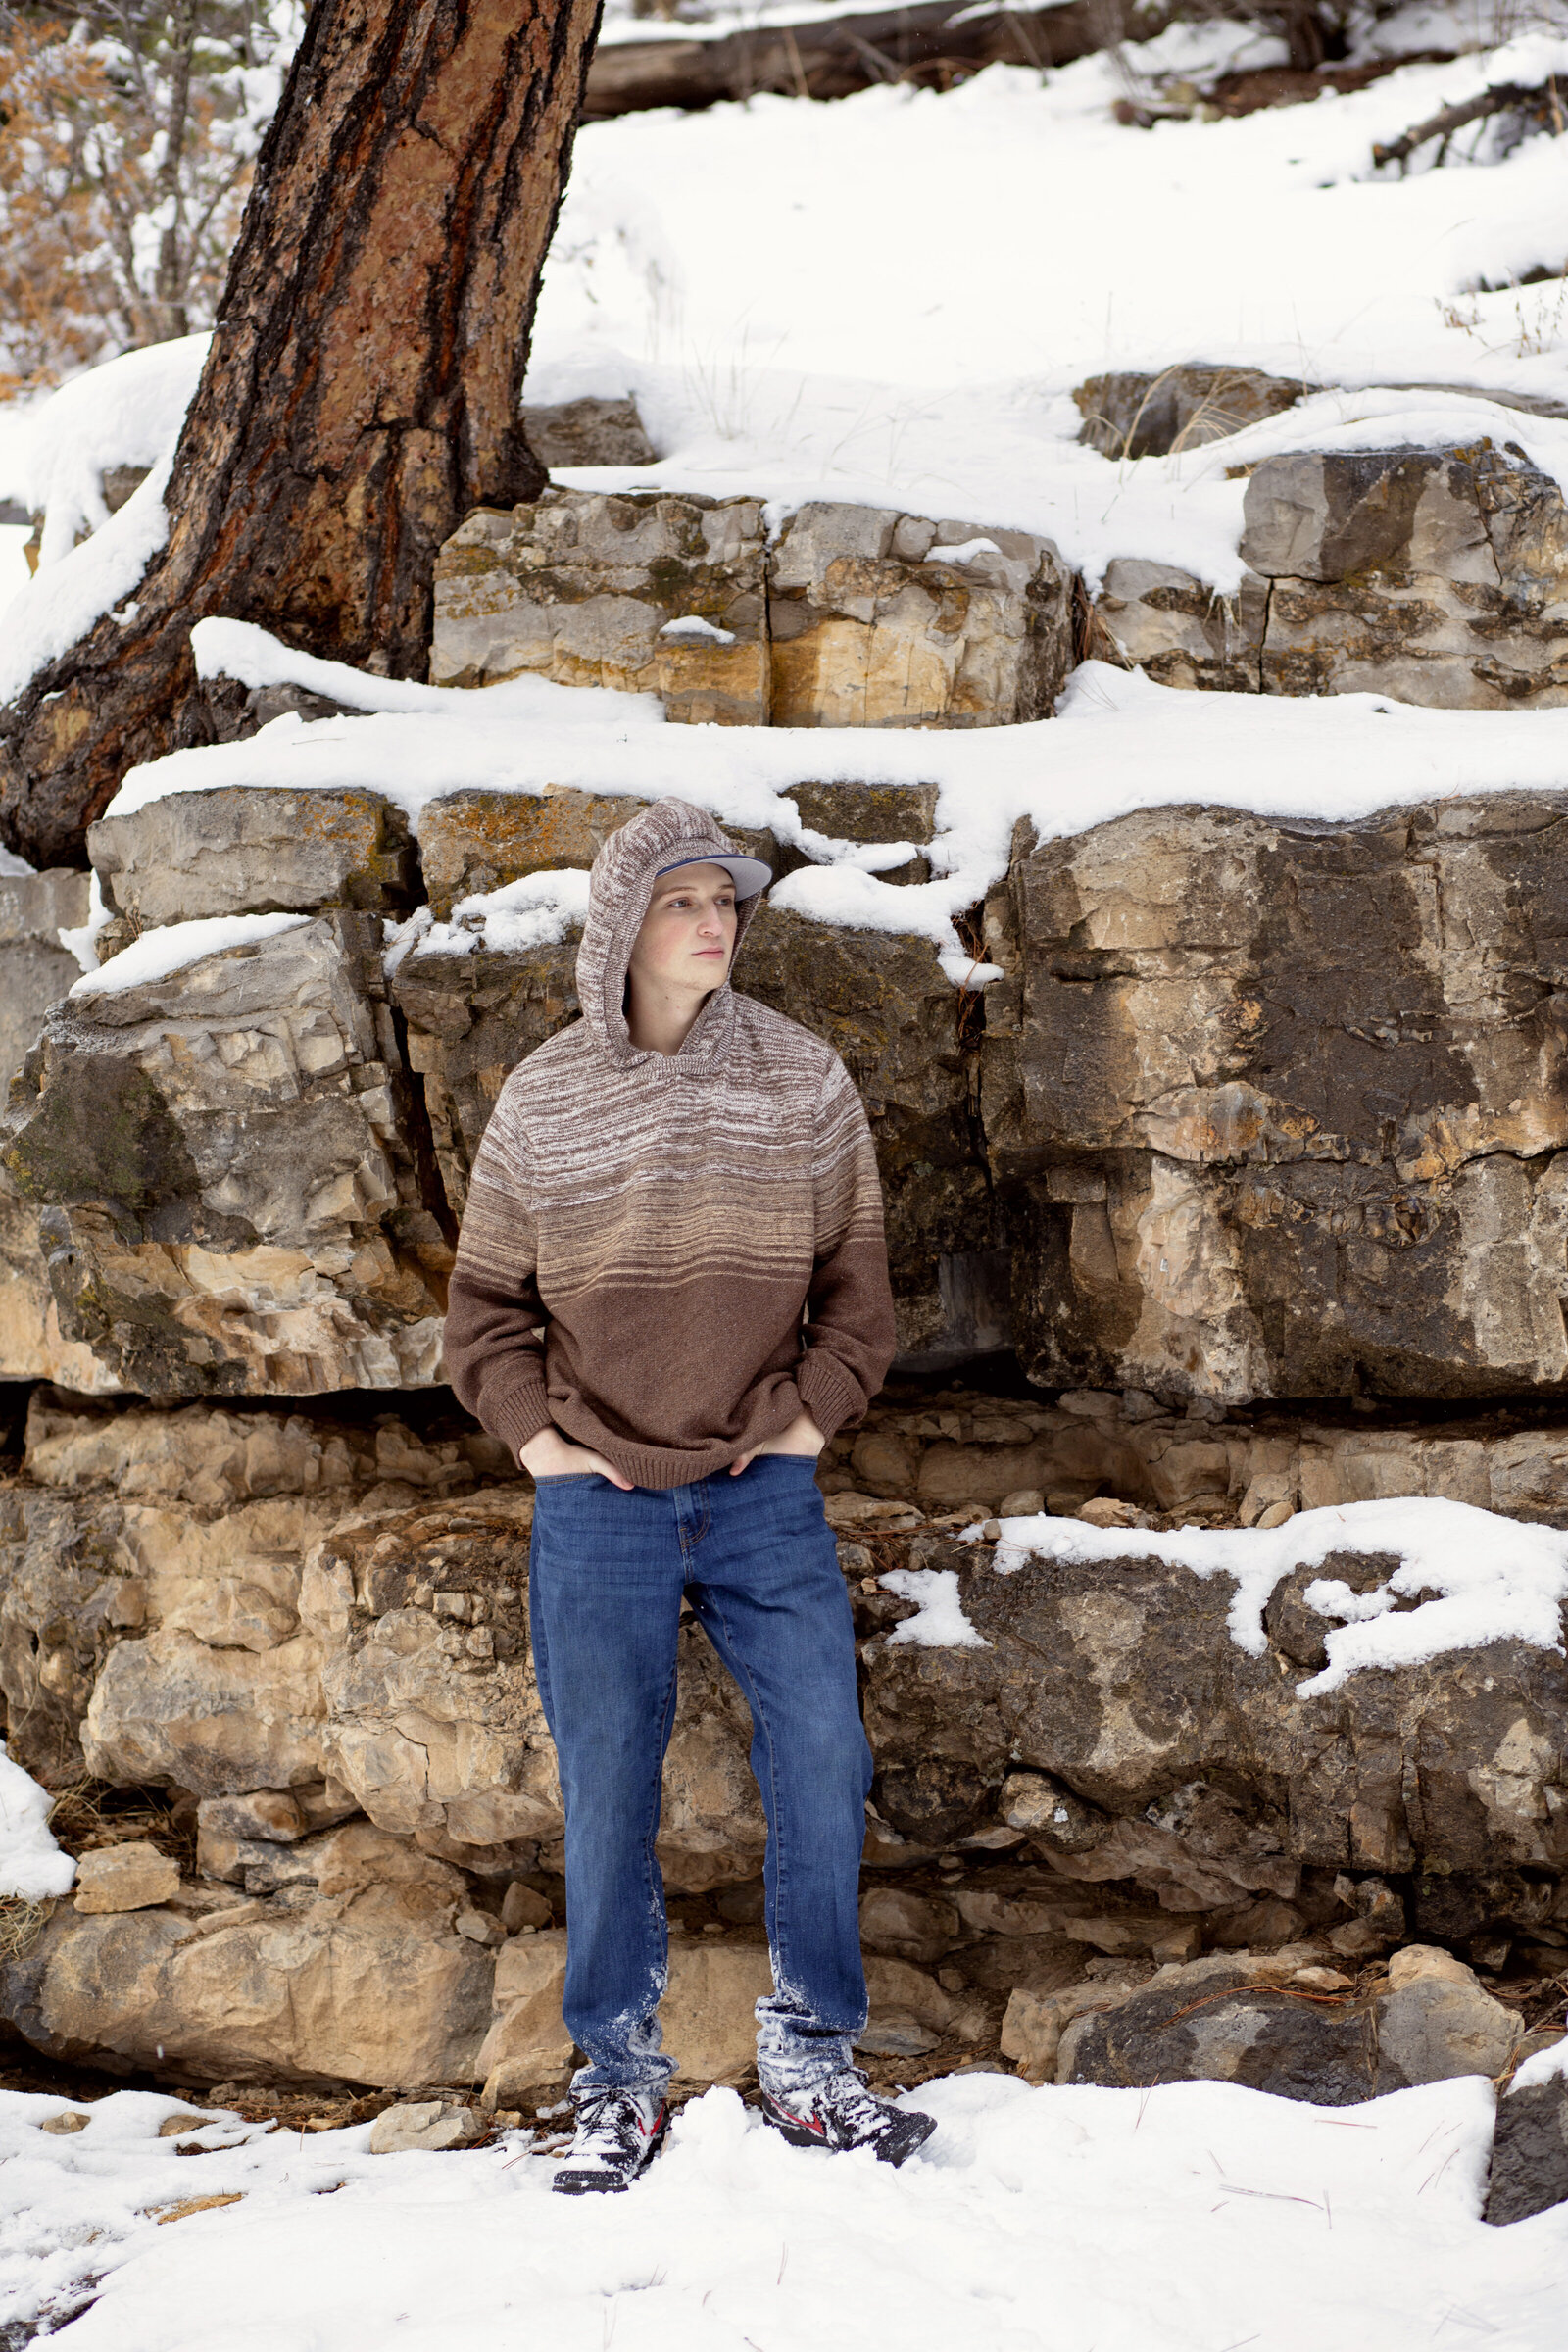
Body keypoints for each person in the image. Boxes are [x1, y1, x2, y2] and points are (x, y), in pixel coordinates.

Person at [443, 795, 937, 2194]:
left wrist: (809, 1425)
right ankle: (616, 2072)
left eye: (728, 903)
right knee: (608, 1787)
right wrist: (540, 1446)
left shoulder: (802, 1080)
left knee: (825, 1759)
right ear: (623, 924)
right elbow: (482, 1309)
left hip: (760, 1491)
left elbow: (860, 1293)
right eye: (684, 901)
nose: (715, 924)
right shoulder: (545, 1099)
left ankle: (811, 2054)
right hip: (595, 1498)